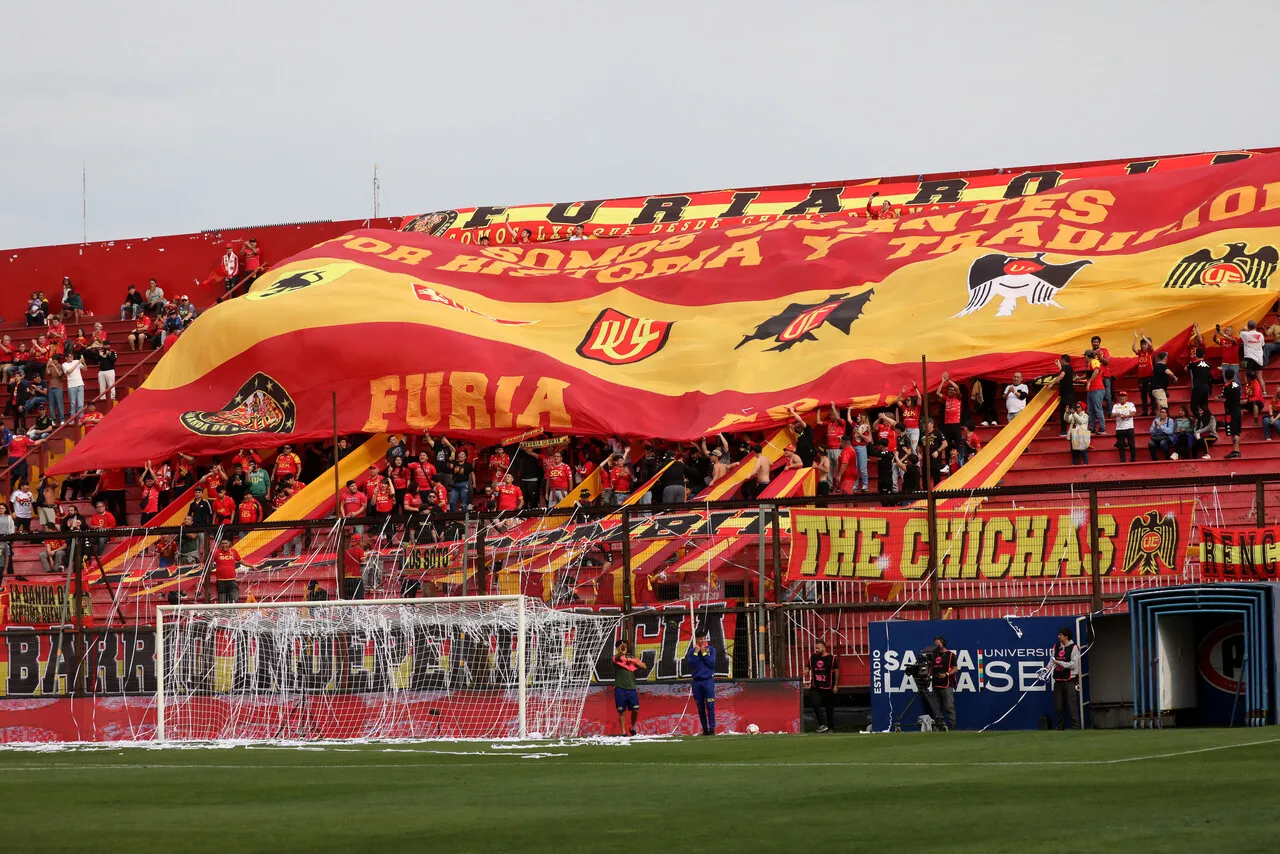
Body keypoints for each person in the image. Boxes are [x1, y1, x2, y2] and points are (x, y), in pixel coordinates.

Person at [684, 628, 717, 735]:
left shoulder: (711, 650)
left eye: (704, 638)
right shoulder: (692, 651)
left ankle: (712, 729)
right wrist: (696, 653)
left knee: (710, 706)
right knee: (700, 708)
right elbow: (690, 664)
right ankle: (705, 730)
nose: (703, 641)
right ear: (697, 640)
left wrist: (703, 653)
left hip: (708, 681)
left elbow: (712, 663)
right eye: (700, 639)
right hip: (697, 682)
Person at [611, 639, 647, 736]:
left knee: (635, 710)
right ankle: (623, 732)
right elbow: (616, 657)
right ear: (617, 648)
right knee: (621, 711)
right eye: (622, 647)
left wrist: (632, 660)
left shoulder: (631, 659)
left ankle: (632, 727)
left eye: (625, 647)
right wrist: (620, 652)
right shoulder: (616, 658)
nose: (624, 648)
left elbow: (644, 666)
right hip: (620, 688)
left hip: (631, 689)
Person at [805, 639, 839, 733]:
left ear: (824, 648)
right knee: (815, 703)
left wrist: (836, 685)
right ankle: (823, 724)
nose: (816, 650)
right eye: (815, 648)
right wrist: (806, 669)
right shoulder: (813, 657)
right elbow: (808, 666)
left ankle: (830, 728)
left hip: (828, 686)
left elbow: (837, 671)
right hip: (816, 685)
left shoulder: (832, 658)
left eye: (818, 648)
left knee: (829, 708)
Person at [1052, 627, 1082, 730]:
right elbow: (1052, 661)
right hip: (1058, 680)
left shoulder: (1074, 647)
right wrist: (1046, 668)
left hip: (1070, 681)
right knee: (1058, 706)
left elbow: (1073, 665)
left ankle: (1075, 726)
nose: (1058, 636)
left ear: (1066, 636)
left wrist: (1059, 663)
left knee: (1071, 705)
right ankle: (1060, 726)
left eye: (1060, 635)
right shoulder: (1056, 647)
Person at [928, 636, 959, 731]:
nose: (936, 646)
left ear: (943, 643)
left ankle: (952, 726)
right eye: (935, 644)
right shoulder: (933, 655)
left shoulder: (951, 655)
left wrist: (946, 674)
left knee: (949, 706)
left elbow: (955, 668)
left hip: (947, 684)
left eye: (938, 644)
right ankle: (939, 725)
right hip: (935, 684)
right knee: (936, 707)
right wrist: (927, 675)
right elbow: (931, 669)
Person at [1051, 355, 1077, 437]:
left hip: (1067, 394)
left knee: (1065, 412)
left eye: (1061, 360)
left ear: (1063, 360)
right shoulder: (1069, 367)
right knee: (1068, 412)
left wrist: (1052, 383)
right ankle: (1069, 430)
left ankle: (1064, 430)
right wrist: (1059, 365)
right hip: (1069, 394)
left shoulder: (1066, 367)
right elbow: (1063, 372)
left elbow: (1062, 375)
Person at [1221, 367, 1244, 460]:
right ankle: (1237, 450)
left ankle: (1235, 451)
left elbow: (1224, 398)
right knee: (1237, 431)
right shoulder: (1237, 385)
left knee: (1233, 432)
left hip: (1230, 411)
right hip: (1238, 409)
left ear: (1225, 376)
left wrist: (1216, 399)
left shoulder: (1226, 386)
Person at [212, 539, 242, 603]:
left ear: (229, 544)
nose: (224, 545)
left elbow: (241, 560)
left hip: (232, 580)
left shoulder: (234, 551)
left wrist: (251, 566)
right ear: (220, 544)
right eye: (222, 543)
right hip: (221, 581)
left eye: (225, 543)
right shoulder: (216, 552)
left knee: (234, 601)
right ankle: (223, 610)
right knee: (222, 602)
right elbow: (210, 562)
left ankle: (233, 610)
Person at [1112, 390, 1137, 462]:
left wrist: (1126, 416)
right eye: (1120, 396)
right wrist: (1118, 414)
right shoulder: (1116, 406)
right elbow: (1112, 415)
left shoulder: (1130, 404)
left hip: (1129, 427)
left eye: (1123, 396)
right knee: (1121, 446)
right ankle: (1122, 460)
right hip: (1119, 428)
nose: (1122, 398)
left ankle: (1133, 460)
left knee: (1132, 445)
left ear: (1126, 397)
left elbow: (1133, 413)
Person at [61, 354, 86, 422]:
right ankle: (72, 420)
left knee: (80, 404)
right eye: (70, 356)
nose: (72, 357)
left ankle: (81, 418)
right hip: (71, 386)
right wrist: (78, 363)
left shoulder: (76, 361)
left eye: (72, 356)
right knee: (73, 404)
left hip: (80, 384)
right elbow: (69, 371)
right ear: (66, 357)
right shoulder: (64, 364)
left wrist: (84, 363)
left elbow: (85, 369)